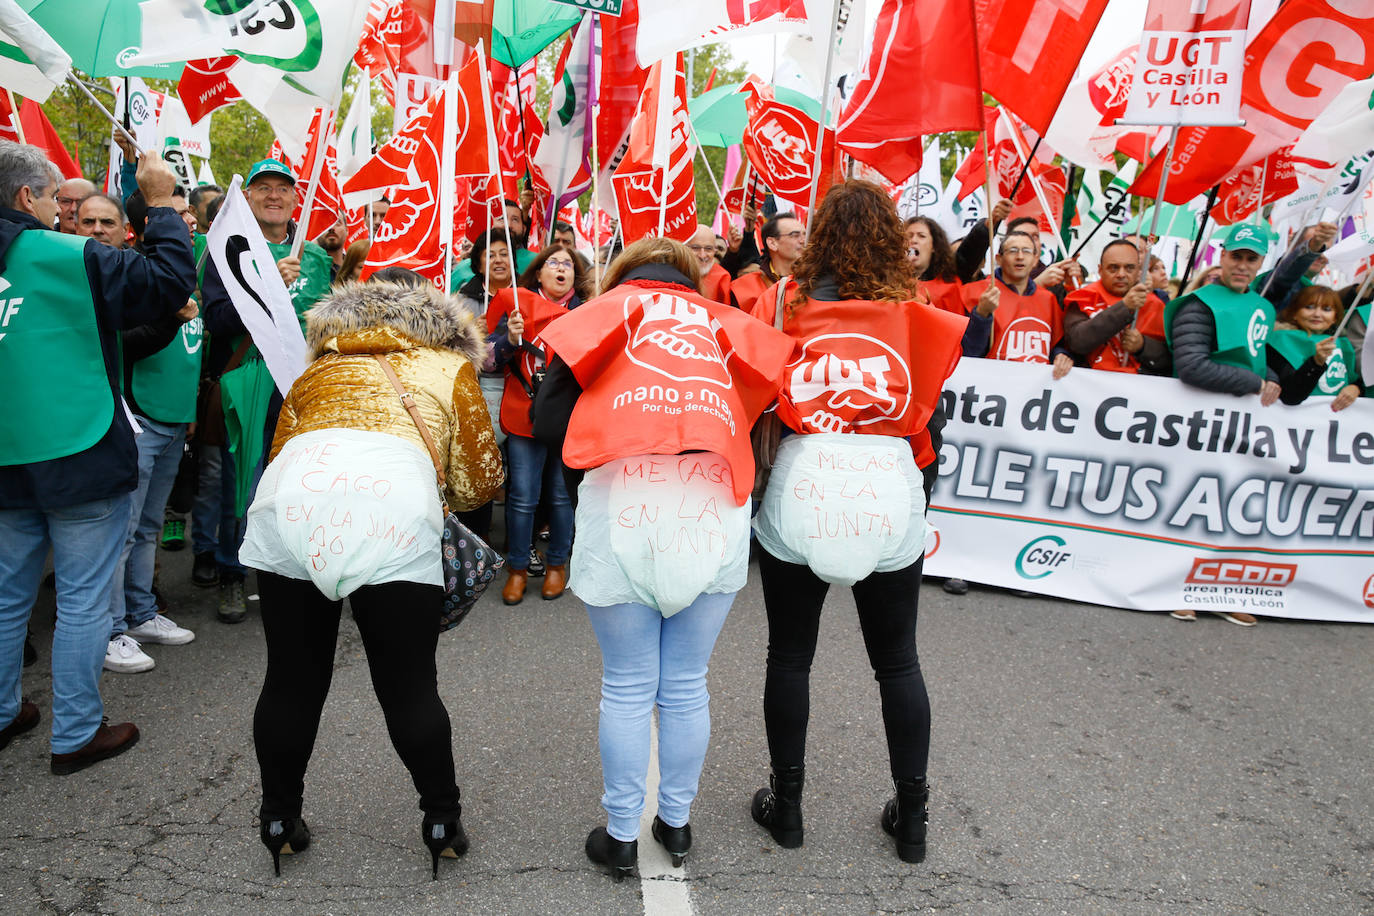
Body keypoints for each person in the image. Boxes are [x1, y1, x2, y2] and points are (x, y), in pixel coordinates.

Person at [533, 237, 793, 882]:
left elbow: (547, 423)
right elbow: (754, 406)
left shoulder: (601, 316)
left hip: (623, 498)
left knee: (626, 685)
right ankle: (675, 823)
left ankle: (622, 834)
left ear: (622, 275)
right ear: (690, 278)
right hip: (713, 504)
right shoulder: (725, 324)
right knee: (684, 683)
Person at [238, 276, 501, 877]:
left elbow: (279, 449)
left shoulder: (317, 371)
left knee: (290, 679)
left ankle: (278, 818)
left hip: (291, 501)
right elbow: (480, 479)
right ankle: (441, 821)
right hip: (394, 507)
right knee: (408, 686)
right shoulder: (448, 367)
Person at [745, 181, 966, 865]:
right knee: (897, 661)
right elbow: (932, 413)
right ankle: (913, 819)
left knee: (790, 655)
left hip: (804, 475)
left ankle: (787, 807)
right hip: (886, 478)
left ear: (818, 237)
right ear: (892, 239)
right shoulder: (917, 312)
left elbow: (751, 391)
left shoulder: (781, 300)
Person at [0, 141, 194, 773]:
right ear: (26, 197)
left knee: (8, 596)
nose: (61, 211)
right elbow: (169, 284)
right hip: (78, 447)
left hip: (8, 453)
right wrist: (160, 201)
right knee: (84, 599)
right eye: (54, 199)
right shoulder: (63, 253)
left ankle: (3, 713)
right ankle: (76, 733)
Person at [201, 159, 334, 624]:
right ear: (248, 197)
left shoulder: (315, 256)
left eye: (282, 188)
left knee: (301, 484)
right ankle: (232, 572)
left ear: (296, 198)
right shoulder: (227, 249)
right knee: (243, 484)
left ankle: (291, 573)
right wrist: (267, 285)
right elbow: (216, 320)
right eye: (263, 188)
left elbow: (328, 320)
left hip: (305, 385)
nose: (274, 195)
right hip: (250, 380)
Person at [97, 162, 204, 674]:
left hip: (174, 421)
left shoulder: (189, 273)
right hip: (138, 420)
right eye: (178, 213)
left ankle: (140, 613)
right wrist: (167, 316)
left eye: (188, 214)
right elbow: (126, 345)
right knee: (120, 531)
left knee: (147, 528)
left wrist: (189, 413)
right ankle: (110, 629)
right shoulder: (138, 275)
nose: (189, 221)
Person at [1164, 223, 1284, 626]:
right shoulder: (1199, 305)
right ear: (1223, 256)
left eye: (1252, 259)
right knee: (1189, 506)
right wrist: (1253, 383)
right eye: (1237, 256)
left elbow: (1256, 357)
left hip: (1239, 426)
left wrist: (1270, 380)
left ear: (1260, 263)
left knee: (1232, 506)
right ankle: (1175, 587)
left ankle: (1222, 589)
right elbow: (1191, 366)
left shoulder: (1261, 307)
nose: (1242, 265)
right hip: (1197, 423)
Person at [486, 246, 590, 605]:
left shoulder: (587, 312)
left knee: (562, 496)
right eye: (553, 262)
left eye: (568, 264)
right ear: (539, 273)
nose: (562, 268)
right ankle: (517, 569)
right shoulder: (516, 307)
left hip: (566, 416)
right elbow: (486, 360)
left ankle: (557, 564)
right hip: (523, 412)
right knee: (522, 496)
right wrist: (510, 340)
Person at [961, 231, 1073, 378]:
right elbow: (967, 353)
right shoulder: (974, 292)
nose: (1020, 256)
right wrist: (981, 315)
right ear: (999, 259)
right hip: (990, 384)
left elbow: (1056, 345)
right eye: (1013, 250)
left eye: (1026, 251)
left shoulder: (1048, 299)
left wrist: (1060, 355)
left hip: (1035, 388)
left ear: (1035, 259)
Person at [1062, 239, 1170, 375]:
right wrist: (1124, 308)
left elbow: (1170, 360)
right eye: (1113, 268)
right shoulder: (1083, 297)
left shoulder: (1154, 304)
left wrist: (1143, 346)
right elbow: (1076, 342)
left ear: (1138, 271)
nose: (1121, 274)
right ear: (1100, 270)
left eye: (1129, 268)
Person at [1267, 285, 1363, 410]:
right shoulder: (1279, 341)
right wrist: (1315, 363)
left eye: (1326, 309)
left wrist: (1355, 389)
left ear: (1335, 317)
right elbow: (1290, 396)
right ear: (1295, 313)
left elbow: (1353, 380)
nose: (1317, 314)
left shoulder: (1341, 343)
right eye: (1309, 307)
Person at [730, 211, 806, 313]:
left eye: (805, 235)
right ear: (772, 243)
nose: (803, 241)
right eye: (795, 235)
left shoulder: (814, 281)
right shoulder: (745, 288)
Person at [688, 224, 732, 305]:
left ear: (714, 251)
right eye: (695, 248)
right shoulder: (675, 270)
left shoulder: (722, 277)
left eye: (708, 249)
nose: (702, 255)